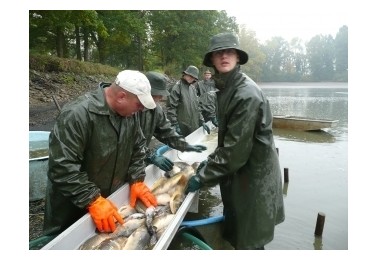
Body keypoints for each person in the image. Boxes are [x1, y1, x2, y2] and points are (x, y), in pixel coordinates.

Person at [186, 32, 285, 249]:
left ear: (238, 57)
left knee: (249, 241)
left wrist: (201, 176)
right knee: (243, 237)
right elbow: (229, 139)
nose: (224, 56)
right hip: (243, 177)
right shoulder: (227, 87)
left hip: (254, 182)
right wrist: (210, 161)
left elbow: (233, 152)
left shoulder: (245, 94)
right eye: (218, 53)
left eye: (229, 51)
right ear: (211, 59)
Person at [43, 70, 158, 237]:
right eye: (139, 105)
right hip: (71, 208)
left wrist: (137, 179)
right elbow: (61, 167)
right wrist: (92, 199)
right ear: (121, 97)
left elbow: (138, 146)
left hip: (107, 200)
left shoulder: (129, 114)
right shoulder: (77, 114)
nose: (141, 110)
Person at [139, 71, 207, 172]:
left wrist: (185, 145)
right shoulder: (130, 109)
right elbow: (130, 141)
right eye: (158, 94)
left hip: (139, 156)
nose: (161, 98)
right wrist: (151, 156)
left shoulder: (156, 109)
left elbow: (166, 132)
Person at [166, 65, 211, 137]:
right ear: (185, 74)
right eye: (190, 75)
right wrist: (174, 124)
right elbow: (171, 108)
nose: (191, 78)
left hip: (194, 125)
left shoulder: (193, 88)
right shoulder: (176, 87)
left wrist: (202, 121)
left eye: (193, 77)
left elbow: (197, 107)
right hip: (182, 127)